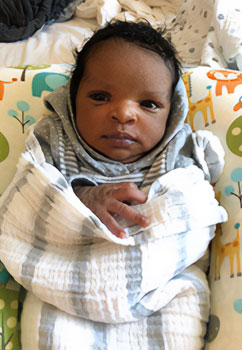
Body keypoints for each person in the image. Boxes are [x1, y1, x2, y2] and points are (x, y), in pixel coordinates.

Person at [0, 20, 227, 350]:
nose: (123, 113)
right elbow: (29, 201)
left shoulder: (176, 149)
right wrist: (82, 197)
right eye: (100, 96)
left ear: (172, 112)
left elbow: (196, 201)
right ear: (72, 99)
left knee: (178, 330)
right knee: (54, 335)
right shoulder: (58, 141)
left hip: (162, 286)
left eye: (148, 104)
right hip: (67, 289)